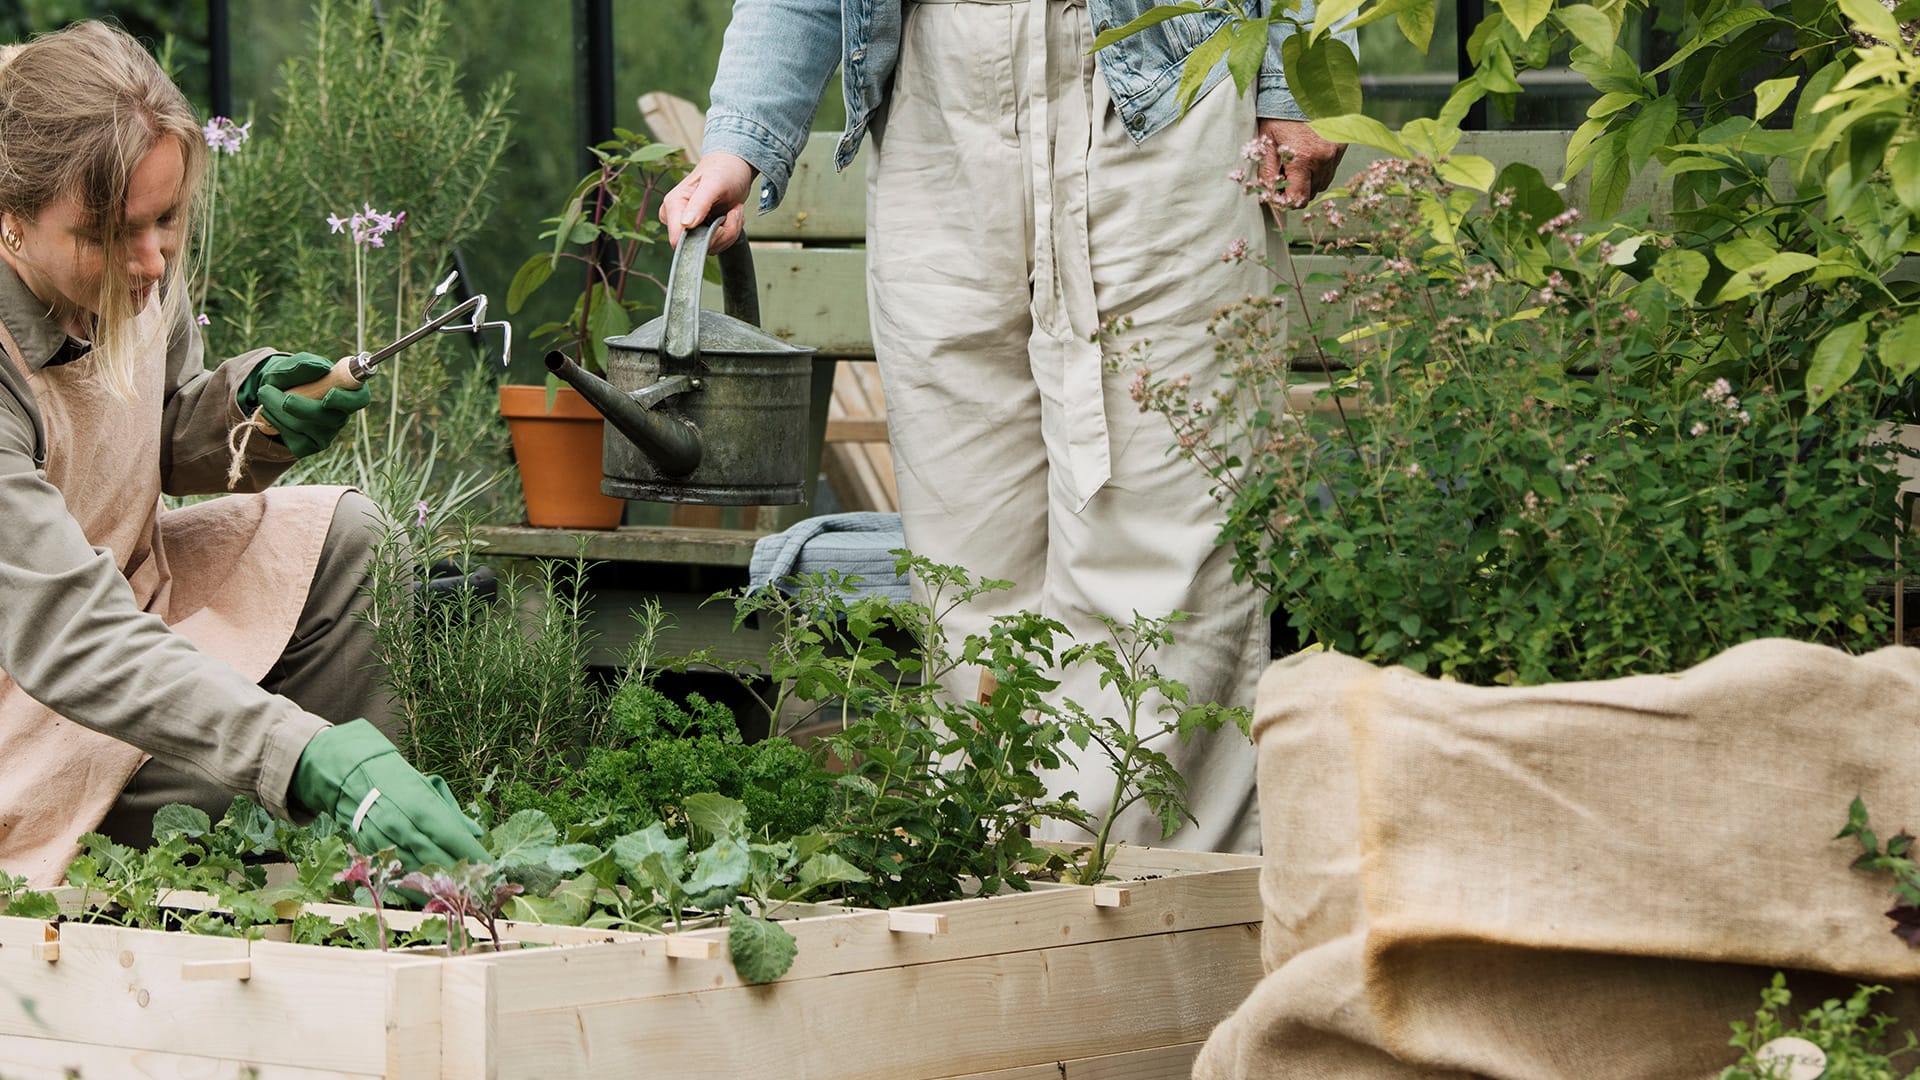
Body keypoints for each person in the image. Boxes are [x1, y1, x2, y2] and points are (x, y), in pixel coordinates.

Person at [664, 0, 1351, 855]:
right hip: (938, 108)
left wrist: (1299, 73)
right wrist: (740, 142)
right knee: (967, 561)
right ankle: (999, 899)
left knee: (1160, 552)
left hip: (1163, 84)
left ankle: (1153, 920)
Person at [0, 21, 487, 886]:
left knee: (345, 538)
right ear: (11, 222)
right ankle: (167, 873)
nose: (150, 261)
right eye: (112, 235)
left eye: (169, 219)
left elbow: (148, 434)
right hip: (32, 692)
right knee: (247, 767)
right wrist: (301, 753)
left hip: (125, 602)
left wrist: (248, 412)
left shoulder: (132, 252)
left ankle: (351, 872)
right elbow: (65, 635)